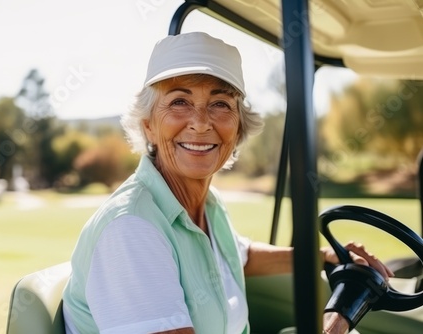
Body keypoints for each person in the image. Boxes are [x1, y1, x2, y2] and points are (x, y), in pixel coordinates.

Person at [62, 31, 393, 334]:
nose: (201, 123)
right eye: (179, 101)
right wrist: (337, 322)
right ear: (148, 125)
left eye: (220, 104)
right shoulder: (131, 228)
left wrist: (322, 255)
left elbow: (240, 256)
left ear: (237, 129)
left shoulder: (208, 204)